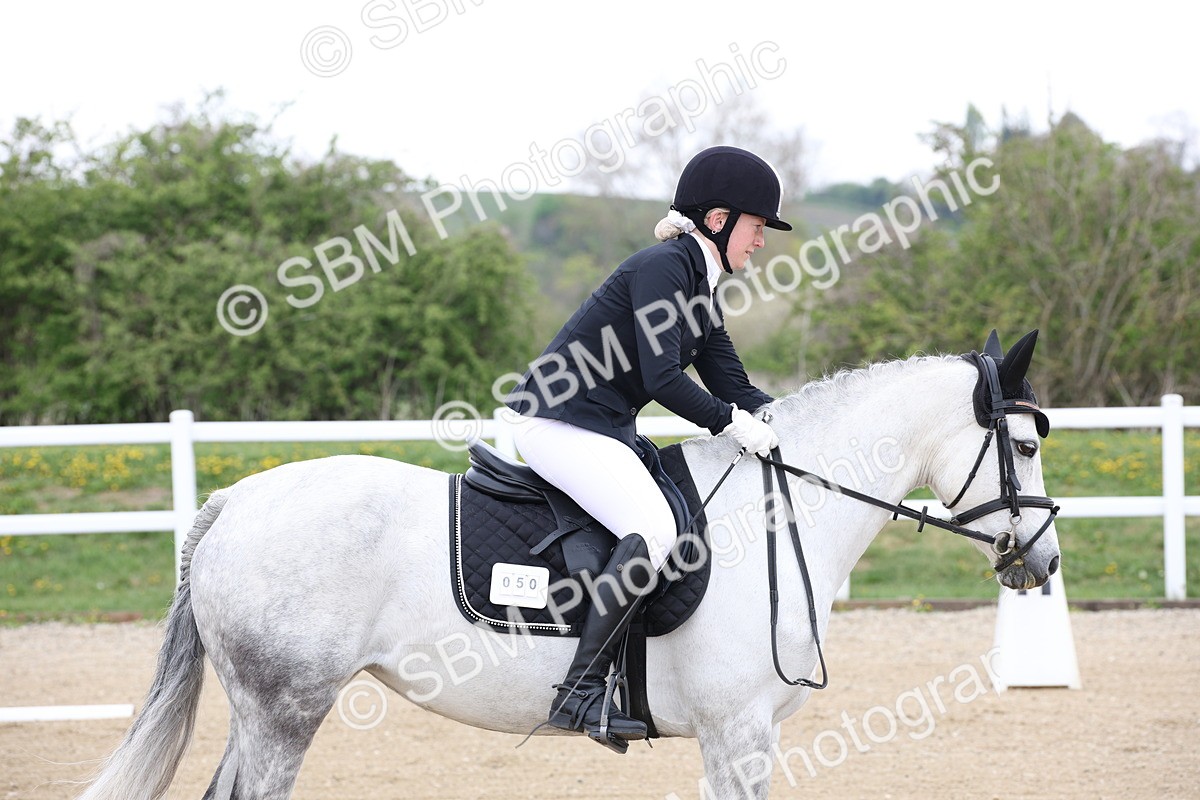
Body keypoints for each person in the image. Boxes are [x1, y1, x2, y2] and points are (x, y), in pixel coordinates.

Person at [505, 145, 788, 744]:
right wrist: (732, 425)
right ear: (719, 220)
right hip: (557, 422)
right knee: (655, 529)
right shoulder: (663, 268)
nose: (761, 241)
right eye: (758, 226)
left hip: (599, 426)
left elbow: (732, 383)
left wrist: (791, 423)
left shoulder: (697, 282)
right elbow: (663, 380)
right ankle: (580, 693)